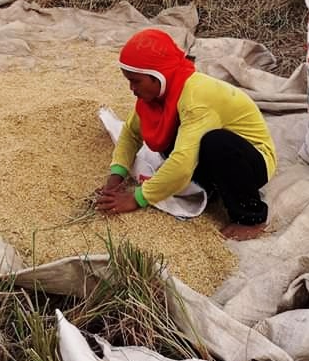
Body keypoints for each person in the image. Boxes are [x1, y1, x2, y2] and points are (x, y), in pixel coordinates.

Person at [95, 28, 277, 241]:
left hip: (250, 163)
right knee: (168, 128)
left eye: (136, 81)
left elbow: (182, 162)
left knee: (216, 142)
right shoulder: (157, 95)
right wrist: (115, 178)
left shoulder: (196, 97)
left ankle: (251, 218)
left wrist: (138, 198)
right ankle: (212, 187)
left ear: (157, 77)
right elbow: (130, 133)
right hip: (213, 159)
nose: (131, 88)